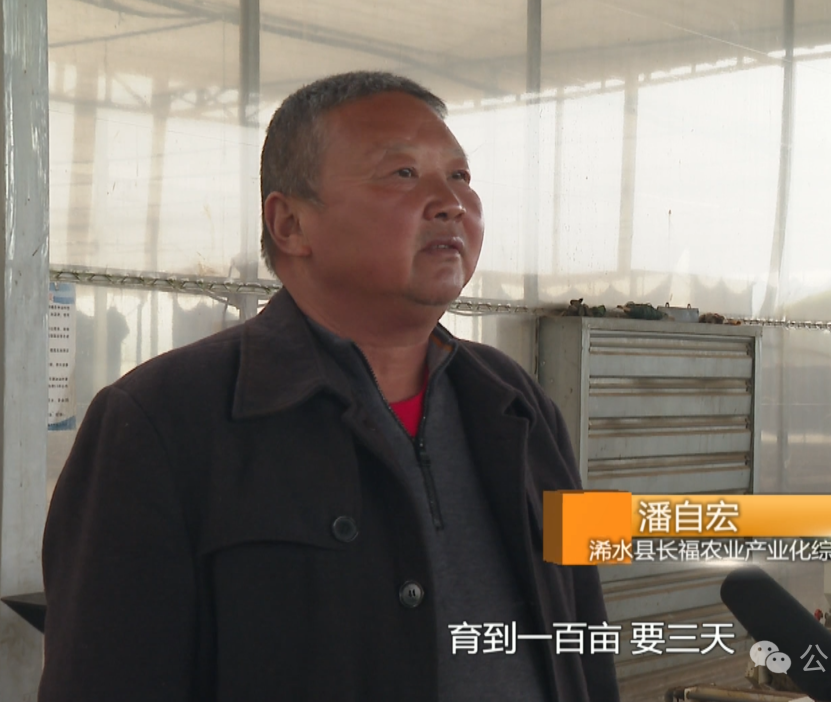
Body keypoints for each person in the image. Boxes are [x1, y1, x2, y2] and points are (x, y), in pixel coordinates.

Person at [39, 71, 620, 702]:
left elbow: (583, 634)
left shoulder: (519, 404)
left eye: (460, 176)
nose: (451, 202)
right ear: (290, 224)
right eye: (402, 173)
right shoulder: (162, 422)